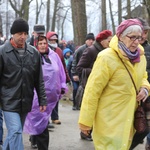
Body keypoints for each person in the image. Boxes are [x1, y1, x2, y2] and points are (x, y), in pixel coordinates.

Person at [78, 18, 150, 150]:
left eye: (139, 38)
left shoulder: (140, 57)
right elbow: (92, 91)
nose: (136, 42)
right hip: (108, 121)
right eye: (132, 37)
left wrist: (145, 87)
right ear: (121, 36)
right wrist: (85, 122)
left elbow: (143, 76)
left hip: (129, 120)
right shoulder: (106, 57)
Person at [0, 18, 47, 150]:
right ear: (12, 34)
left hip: (25, 101)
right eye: (19, 33)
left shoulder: (34, 53)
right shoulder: (2, 52)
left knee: (15, 133)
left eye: (25, 34)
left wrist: (42, 100)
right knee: (15, 131)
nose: (23, 37)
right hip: (8, 101)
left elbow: (38, 79)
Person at [24, 35, 67, 150]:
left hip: (51, 95)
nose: (43, 45)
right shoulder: (31, 56)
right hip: (35, 95)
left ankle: (35, 139)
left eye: (44, 43)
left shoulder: (54, 56)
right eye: (40, 43)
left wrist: (62, 85)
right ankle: (41, 145)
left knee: (41, 120)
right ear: (36, 45)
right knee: (40, 120)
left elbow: (61, 71)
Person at [129, 18, 150, 150]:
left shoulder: (148, 49)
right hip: (128, 96)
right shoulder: (123, 50)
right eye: (141, 31)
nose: (143, 35)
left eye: (146, 32)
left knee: (144, 128)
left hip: (146, 95)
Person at [46, 31, 70, 126]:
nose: (53, 41)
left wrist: (66, 78)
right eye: (51, 40)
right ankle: (46, 118)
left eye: (55, 40)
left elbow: (63, 65)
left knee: (56, 97)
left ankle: (55, 117)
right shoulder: (45, 49)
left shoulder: (59, 51)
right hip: (47, 79)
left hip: (57, 79)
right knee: (47, 99)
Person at [71, 33, 95, 111]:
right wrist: (74, 74)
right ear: (86, 41)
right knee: (76, 89)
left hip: (88, 74)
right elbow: (74, 62)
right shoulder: (80, 50)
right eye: (89, 40)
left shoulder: (95, 50)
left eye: (92, 40)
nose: (91, 41)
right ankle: (75, 104)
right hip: (79, 73)